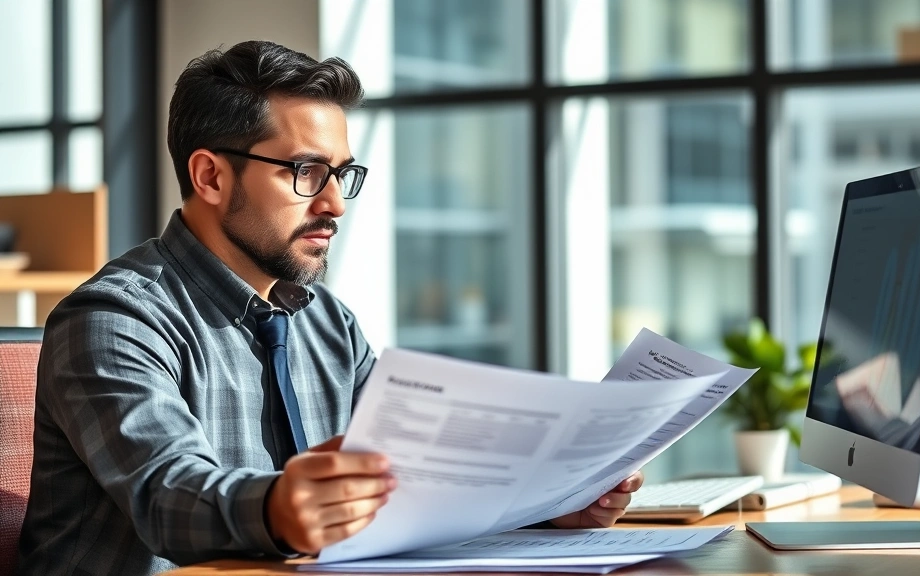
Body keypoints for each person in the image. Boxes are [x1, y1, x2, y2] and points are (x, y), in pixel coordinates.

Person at [17, 40, 643, 575]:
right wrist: (277, 508)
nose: (336, 204)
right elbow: (168, 495)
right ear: (210, 177)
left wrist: (547, 499)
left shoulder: (326, 321)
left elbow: (420, 476)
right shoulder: (112, 319)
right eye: (308, 172)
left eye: (343, 174)